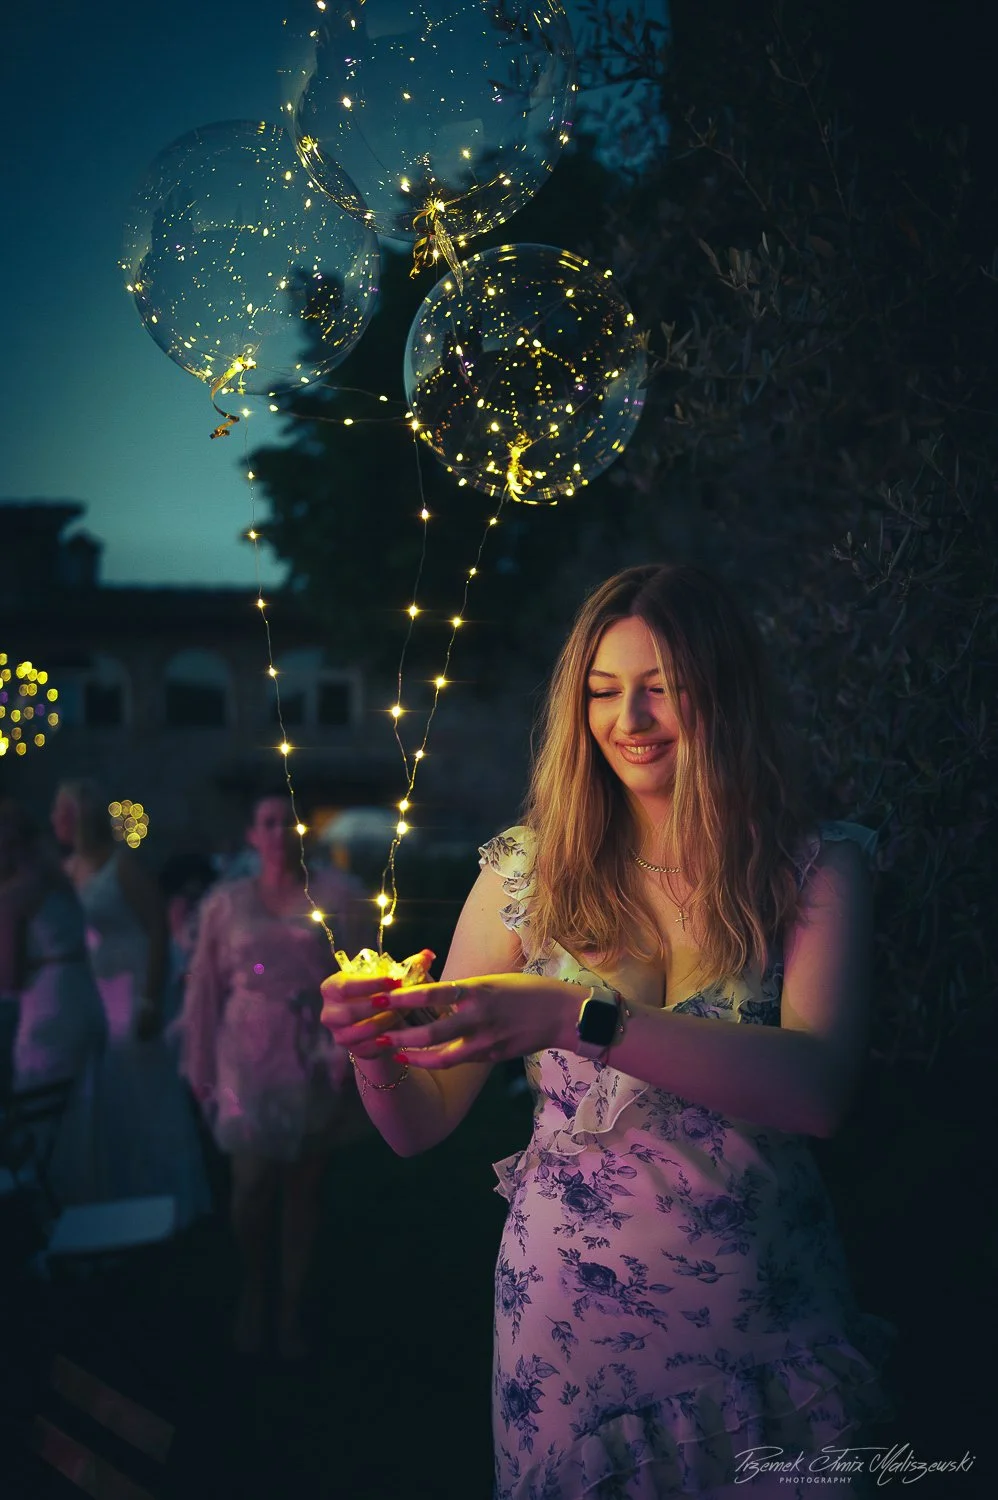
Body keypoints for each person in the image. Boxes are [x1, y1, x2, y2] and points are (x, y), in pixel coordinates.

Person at [320, 564, 897, 1500]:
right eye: (602, 691)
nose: (628, 719)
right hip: (571, 1340)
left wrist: (571, 1016)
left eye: (660, 687)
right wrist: (374, 1048)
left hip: (764, 1326)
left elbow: (816, 1091)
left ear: (725, 690)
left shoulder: (815, 868)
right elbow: (418, 1125)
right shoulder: (526, 875)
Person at [179, 792, 373, 1359]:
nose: (279, 830)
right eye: (267, 821)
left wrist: (349, 1050)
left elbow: (364, 975)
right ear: (251, 835)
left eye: (288, 820)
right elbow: (203, 988)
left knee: (302, 1188)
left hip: (313, 1050)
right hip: (245, 1054)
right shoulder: (225, 904)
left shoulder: (338, 897)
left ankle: (289, 1309)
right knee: (249, 1185)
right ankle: (252, 1286)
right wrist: (198, 1062)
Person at [51, 779, 211, 1227]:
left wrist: (149, 1000)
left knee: (143, 1090)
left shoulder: (123, 868)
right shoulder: (67, 870)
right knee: (106, 1095)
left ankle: (164, 1197)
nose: (55, 822)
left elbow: (157, 930)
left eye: (62, 813)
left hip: (133, 984)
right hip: (95, 991)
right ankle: (114, 1196)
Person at [0, 797, 106, 1203]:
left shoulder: (13, 895)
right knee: (80, 1109)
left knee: (39, 1112)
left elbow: (7, 978)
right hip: (82, 995)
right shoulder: (54, 877)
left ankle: (52, 1209)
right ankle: (84, 1204)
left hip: (48, 1009)